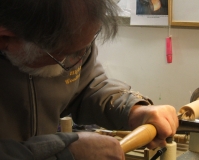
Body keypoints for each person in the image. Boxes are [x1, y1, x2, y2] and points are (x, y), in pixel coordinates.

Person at [0, 0, 178, 159]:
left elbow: (86, 85)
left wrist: (132, 109)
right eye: (65, 54)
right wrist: (63, 153)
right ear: (6, 38)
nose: (78, 60)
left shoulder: (67, 35)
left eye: (84, 49)